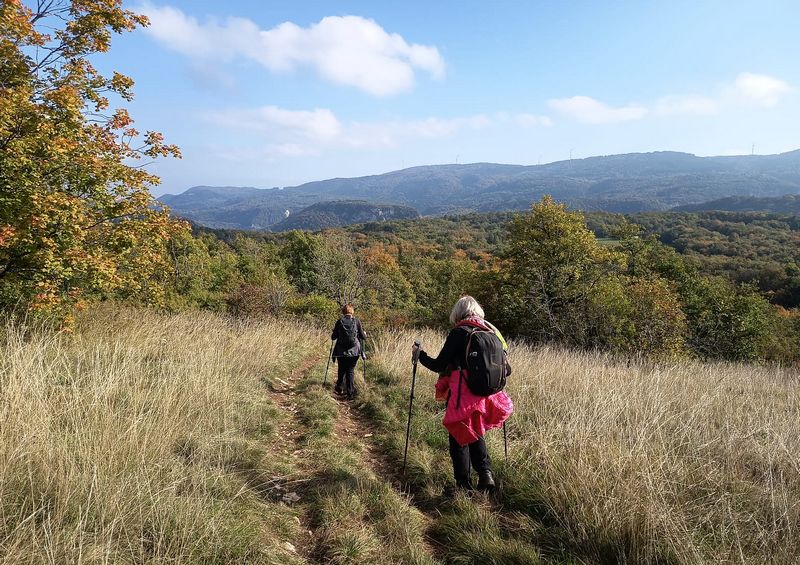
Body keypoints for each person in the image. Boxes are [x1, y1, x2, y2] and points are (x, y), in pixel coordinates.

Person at [412, 296, 513, 492]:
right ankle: (485, 474)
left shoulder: (459, 332)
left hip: (463, 394)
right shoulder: (492, 331)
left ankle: (463, 487)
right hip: (486, 395)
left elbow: (438, 365)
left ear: (458, 313)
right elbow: (507, 370)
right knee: (476, 432)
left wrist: (419, 354)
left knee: (459, 438)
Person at [331, 304, 367, 400]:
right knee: (350, 371)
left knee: (341, 369)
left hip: (341, 351)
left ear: (343, 312)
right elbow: (363, 337)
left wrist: (334, 332)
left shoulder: (339, 321)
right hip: (354, 351)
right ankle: (350, 393)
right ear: (352, 311)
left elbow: (333, 337)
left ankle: (339, 387)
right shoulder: (357, 321)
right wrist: (364, 334)